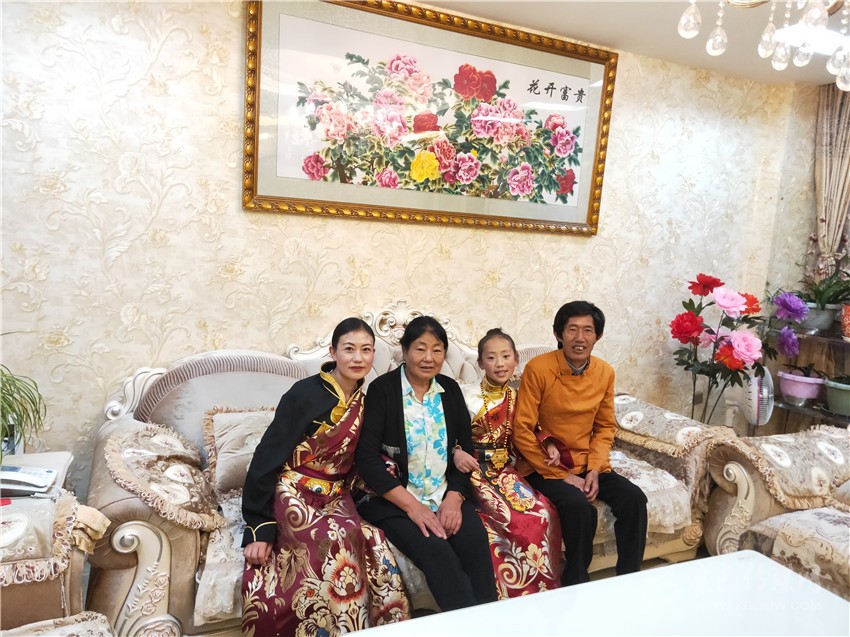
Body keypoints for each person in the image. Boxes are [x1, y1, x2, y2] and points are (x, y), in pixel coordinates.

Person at [241, 318, 409, 637]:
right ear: (333, 352)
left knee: (370, 537)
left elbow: (361, 456)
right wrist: (258, 526)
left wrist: (385, 466)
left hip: (336, 494)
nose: (358, 358)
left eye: (366, 350)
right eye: (349, 349)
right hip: (293, 489)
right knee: (333, 540)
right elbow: (267, 456)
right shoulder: (303, 394)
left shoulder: (366, 402)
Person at [354, 315, 498, 612]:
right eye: (420, 349)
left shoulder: (449, 389)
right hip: (395, 499)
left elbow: (464, 449)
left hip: (443, 491)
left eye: (437, 350)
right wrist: (413, 507)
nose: (429, 358)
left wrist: (454, 499)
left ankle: (489, 621)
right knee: (437, 552)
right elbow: (367, 459)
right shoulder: (383, 390)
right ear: (404, 351)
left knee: (474, 541)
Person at [512, 301, 648, 586]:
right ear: (558, 334)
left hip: (587, 461)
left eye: (588, 330)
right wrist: (564, 476)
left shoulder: (604, 372)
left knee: (633, 499)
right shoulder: (538, 369)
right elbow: (522, 429)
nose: (580, 337)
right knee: (579, 507)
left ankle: (629, 580)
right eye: (572, 329)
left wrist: (596, 469)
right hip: (545, 464)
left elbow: (604, 426)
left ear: (597, 336)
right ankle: (575, 581)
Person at [452, 328, 564, 599]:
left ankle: (543, 591)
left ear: (516, 359)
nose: (499, 364)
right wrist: (455, 451)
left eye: (505, 356)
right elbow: (448, 433)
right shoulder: (465, 395)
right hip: (475, 472)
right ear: (480, 363)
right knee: (505, 519)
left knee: (542, 512)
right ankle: (505, 593)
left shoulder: (518, 397)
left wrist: (548, 443)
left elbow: (531, 429)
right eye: (491, 358)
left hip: (506, 471)